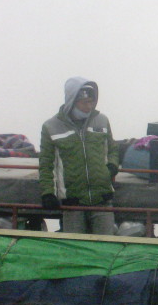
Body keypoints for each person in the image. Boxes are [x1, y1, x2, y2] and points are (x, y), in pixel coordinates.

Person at [38, 78, 119, 235]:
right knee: (76, 248)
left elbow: (113, 148)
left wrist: (111, 167)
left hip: (102, 199)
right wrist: (48, 193)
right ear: (72, 101)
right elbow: (46, 163)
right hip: (72, 201)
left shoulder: (102, 120)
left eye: (91, 102)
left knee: (106, 248)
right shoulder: (50, 126)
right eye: (84, 102)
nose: (89, 106)